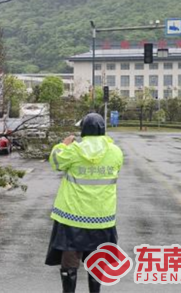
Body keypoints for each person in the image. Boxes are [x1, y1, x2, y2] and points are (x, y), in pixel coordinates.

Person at [45, 113, 124, 293]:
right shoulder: (115, 152)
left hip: (72, 218)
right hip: (102, 218)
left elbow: (55, 161)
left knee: (69, 263)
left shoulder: (74, 150)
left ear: (84, 130)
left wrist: (62, 145)